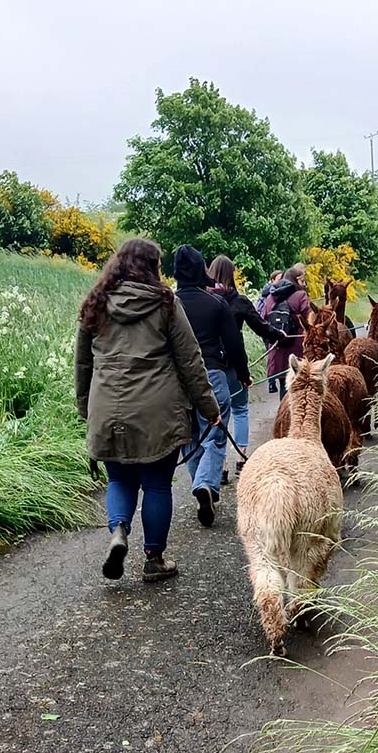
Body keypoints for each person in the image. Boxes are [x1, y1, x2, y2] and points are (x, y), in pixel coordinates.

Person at [75, 238, 220, 583]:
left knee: (119, 479)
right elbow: (190, 360)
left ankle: (118, 531)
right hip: (157, 409)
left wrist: (86, 408)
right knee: (156, 485)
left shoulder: (95, 304)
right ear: (153, 267)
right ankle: (154, 558)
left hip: (107, 406)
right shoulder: (165, 303)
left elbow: (82, 364)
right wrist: (209, 407)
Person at [173, 245, 250, 526]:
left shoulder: (168, 304)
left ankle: (201, 486)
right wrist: (243, 374)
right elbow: (234, 344)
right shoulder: (216, 304)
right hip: (213, 375)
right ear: (200, 272)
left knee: (190, 437)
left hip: (177, 381)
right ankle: (205, 483)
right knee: (215, 436)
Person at [207, 255, 286, 481]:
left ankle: (219, 465)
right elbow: (260, 327)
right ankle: (242, 456)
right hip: (233, 363)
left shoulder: (205, 300)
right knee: (240, 409)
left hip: (209, 364)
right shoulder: (239, 302)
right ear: (231, 275)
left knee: (217, 414)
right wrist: (279, 335)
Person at [260, 264, 311, 399]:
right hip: (297, 348)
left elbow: (263, 319)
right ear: (295, 280)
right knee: (298, 386)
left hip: (277, 348)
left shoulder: (271, 297)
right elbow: (310, 320)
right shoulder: (300, 296)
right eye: (301, 281)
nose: (303, 284)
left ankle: (284, 415)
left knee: (284, 385)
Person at [255, 270, 284, 392]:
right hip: (269, 327)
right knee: (272, 353)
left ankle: (272, 382)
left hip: (268, 326)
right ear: (272, 280)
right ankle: (273, 381)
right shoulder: (271, 294)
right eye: (279, 279)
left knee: (271, 354)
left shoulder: (265, 293)